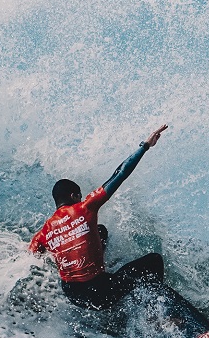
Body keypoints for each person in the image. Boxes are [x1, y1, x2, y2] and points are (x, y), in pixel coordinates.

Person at [30, 125, 168, 309]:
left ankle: (103, 270)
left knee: (100, 231)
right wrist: (145, 145)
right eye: (79, 195)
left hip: (73, 296)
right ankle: (156, 310)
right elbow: (120, 174)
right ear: (74, 196)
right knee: (154, 260)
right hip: (100, 292)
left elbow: (32, 254)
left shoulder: (45, 231)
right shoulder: (84, 207)